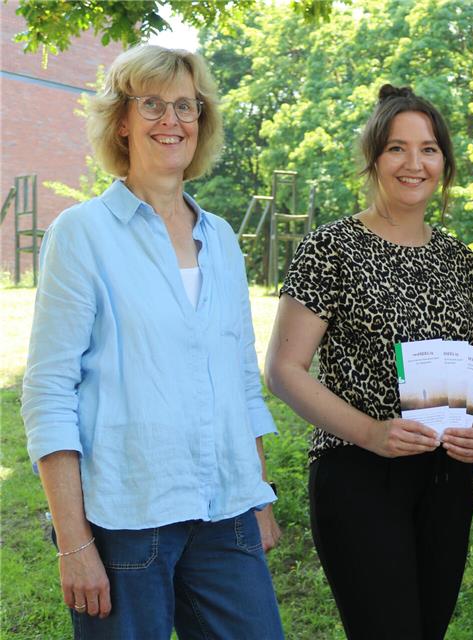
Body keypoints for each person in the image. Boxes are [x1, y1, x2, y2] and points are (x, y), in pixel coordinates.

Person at [21, 45, 284, 638]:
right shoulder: (82, 234)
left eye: (186, 106)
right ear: (121, 120)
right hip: (126, 517)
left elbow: (241, 380)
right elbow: (49, 392)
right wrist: (73, 542)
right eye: (152, 105)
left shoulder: (221, 239)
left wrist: (259, 495)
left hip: (226, 510)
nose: (172, 120)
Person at [265, 84, 473, 640]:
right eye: (397, 148)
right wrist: (373, 434)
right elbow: (283, 370)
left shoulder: (456, 258)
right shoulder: (331, 248)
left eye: (428, 149)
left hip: (446, 475)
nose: (414, 163)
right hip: (359, 473)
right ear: (372, 159)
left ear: (444, 163)